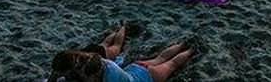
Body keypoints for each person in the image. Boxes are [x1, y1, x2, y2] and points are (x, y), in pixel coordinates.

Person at [48, 41, 193, 82]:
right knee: (160, 58)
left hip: (146, 77)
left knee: (172, 64)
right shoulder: (90, 58)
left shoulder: (107, 77)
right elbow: (56, 72)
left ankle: (191, 50)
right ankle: (183, 44)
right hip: (134, 68)